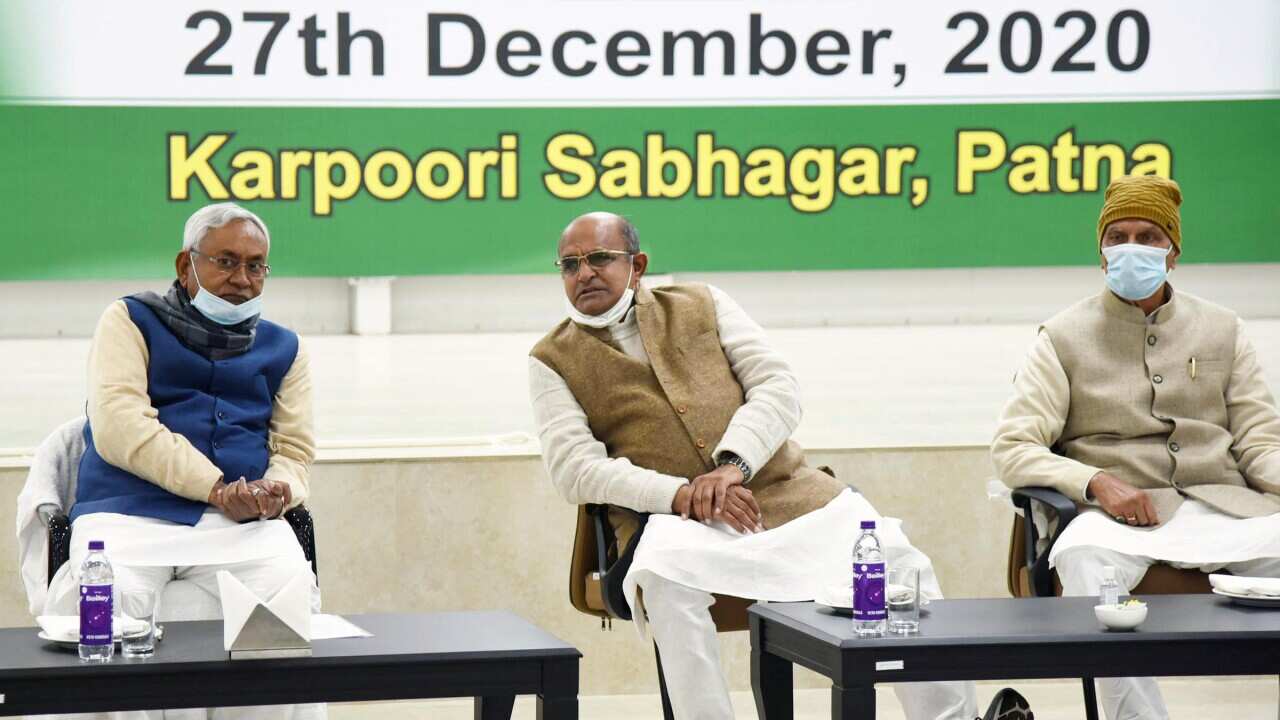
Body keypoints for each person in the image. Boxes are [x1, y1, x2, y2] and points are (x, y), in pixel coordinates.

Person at [530, 211, 1030, 720]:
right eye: (569, 265)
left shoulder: (702, 303)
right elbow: (575, 469)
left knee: (900, 563)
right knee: (664, 582)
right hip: (674, 524)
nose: (584, 273)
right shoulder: (551, 359)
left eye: (598, 258)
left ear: (637, 265)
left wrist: (732, 467)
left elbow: (778, 387)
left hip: (788, 499)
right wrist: (681, 495)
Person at [993, 174, 1280, 720]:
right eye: (1117, 236)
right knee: (1082, 558)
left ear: (1173, 253)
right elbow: (1013, 447)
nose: (1132, 248)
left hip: (1226, 508)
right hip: (1118, 521)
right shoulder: (1062, 335)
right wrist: (1095, 483)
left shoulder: (1223, 329)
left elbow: (1260, 440)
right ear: (1101, 255)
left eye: (1148, 237)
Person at [46, 202, 322, 720]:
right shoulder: (129, 319)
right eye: (225, 261)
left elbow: (294, 451)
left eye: (256, 265)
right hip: (124, 518)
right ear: (185, 265)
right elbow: (120, 424)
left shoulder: (287, 348)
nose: (242, 278)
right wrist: (217, 487)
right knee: (109, 624)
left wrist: (276, 491)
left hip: (238, 527)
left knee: (283, 603)